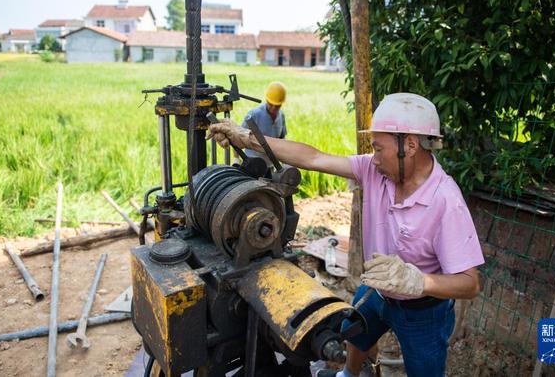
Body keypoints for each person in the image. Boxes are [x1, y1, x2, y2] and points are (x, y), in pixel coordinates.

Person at [208, 92, 485, 377]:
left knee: (424, 370)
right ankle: (349, 375)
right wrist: (246, 138)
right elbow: (313, 157)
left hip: (423, 309)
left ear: (410, 145)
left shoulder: (445, 201)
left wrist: (418, 281)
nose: (373, 158)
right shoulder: (375, 170)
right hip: (378, 289)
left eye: (378, 148)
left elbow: (469, 283)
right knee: (355, 331)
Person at [240, 81, 287, 165]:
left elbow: (282, 139)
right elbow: (239, 137)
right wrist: (236, 158)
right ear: (266, 100)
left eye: (277, 106)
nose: (273, 108)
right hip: (252, 165)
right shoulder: (253, 115)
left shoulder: (281, 116)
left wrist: (285, 160)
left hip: (272, 165)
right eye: (271, 104)